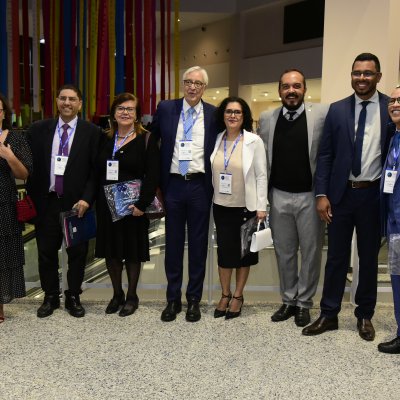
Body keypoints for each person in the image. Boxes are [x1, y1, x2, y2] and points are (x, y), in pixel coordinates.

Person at [302, 53, 391, 340]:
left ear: (378, 76)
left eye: (367, 73)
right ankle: (329, 314)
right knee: (337, 258)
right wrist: (322, 193)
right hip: (340, 196)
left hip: (373, 196)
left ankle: (364, 315)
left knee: (368, 259)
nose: (361, 78)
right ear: (351, 75)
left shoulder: (391, 107)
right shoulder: (337, 110)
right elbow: (325, 155)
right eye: (357, 73)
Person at [258, 69, 328, 327]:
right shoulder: (267, 118)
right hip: (278, 196)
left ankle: (304, 303)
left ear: (304, 89)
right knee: (284, 252)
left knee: (310, 252)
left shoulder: (321, 114)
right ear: (279, 90)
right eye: (286, 86)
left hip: (310, 197)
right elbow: (262, 158)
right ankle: (288, 300)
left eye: (296, 86)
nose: (291, 91)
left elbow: (326, 155)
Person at [27, 84, 102, 318]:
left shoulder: (92, 132)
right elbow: (28, 165)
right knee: (46, 253)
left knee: (78, 254)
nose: (67, 103)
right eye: (63, 98)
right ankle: (50, 296)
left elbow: (95, 171)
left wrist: (86, 199)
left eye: (72, 99)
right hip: (46, 203)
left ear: (80, 103)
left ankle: (73, 296)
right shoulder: (37, 129)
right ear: (57, 101)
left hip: (76, 206)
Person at [151, 66, 218, 322]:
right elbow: (153, 142)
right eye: (188, 82)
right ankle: (172, 299)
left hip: (200, 186)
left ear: (204, 88)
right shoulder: (166, 108)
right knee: (173, 244)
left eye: (198, 84)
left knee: (199, 245)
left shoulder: (213, 114)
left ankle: (193, 300)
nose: (192, 87)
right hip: (174, 185)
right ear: (182, 84)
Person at [95, 93, 159, 317]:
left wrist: (142, 204)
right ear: (113, 113)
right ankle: (117, 294)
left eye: (130, 109)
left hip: (134, 208)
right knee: (111, 252)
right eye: (121, 108)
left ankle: (132, 296)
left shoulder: (146, 139)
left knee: (132, 253)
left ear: (137, 115)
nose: (125, 112)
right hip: (107, 206)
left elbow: (152, 175)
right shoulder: (104, 138)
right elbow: (96, 171)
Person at [211, 96, 267, 319]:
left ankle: (238, 296)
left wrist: (261, 206)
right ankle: (225, 294)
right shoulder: (217, 139)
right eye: (228, 111)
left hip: (247, 207)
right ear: (222, 115)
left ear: (244, 116)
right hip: (221, 206)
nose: (232, 116)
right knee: (224, 254)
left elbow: (262, 175)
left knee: (244, 255)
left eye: (237, 112)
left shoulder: (254, 141)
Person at [0, 93, 32, 323]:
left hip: (4, 205)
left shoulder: (15, 138)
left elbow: (24, 173)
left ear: (3, 113)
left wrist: (8, 155)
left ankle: (0, 303)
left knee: (2, 256)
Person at [378, 86, 400, 354]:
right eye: (392, 100)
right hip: (394, 223)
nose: (394, 104)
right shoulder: (394, 138)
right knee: (397, 277)